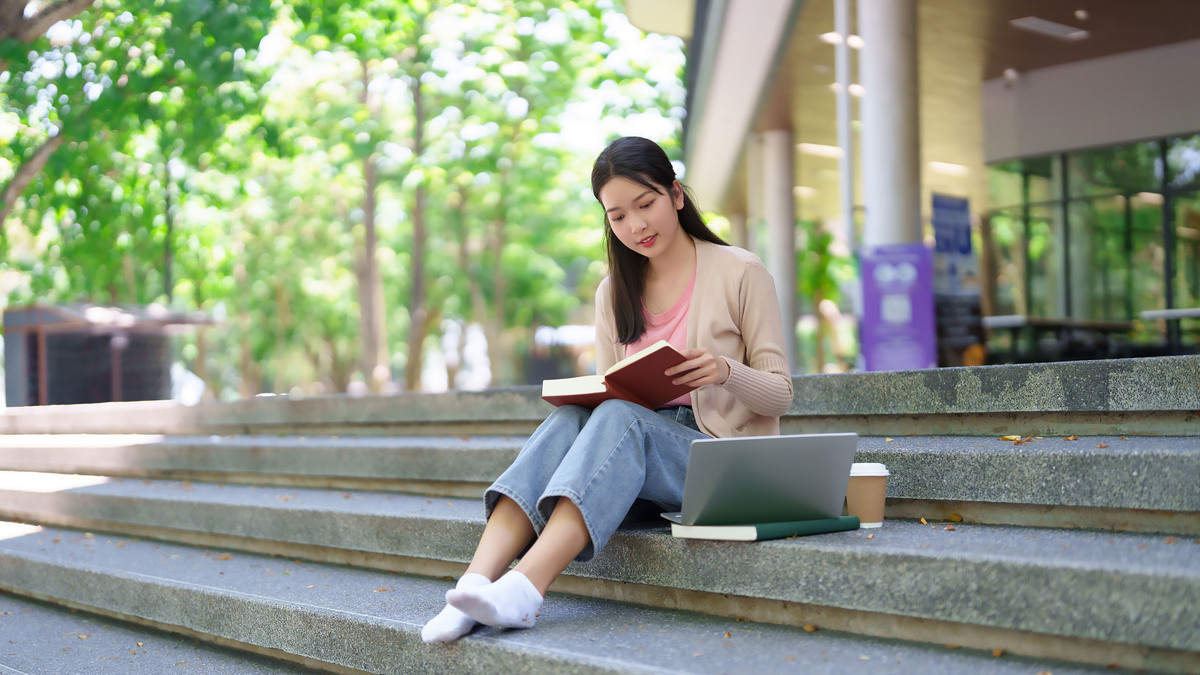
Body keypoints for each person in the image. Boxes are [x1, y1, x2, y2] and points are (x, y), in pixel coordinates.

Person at [421, 136, 793, 643]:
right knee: (571, 418)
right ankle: (472, 586)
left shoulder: (741, 271)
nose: (636, 226)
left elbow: (781, 394)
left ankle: (526, 590)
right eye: (617, 216)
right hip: (641, 453)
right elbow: (608, 392)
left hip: (724, 458)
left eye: (646, 204)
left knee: (620, 419)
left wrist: (725, 371)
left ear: (676, 196)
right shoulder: (611, 291)